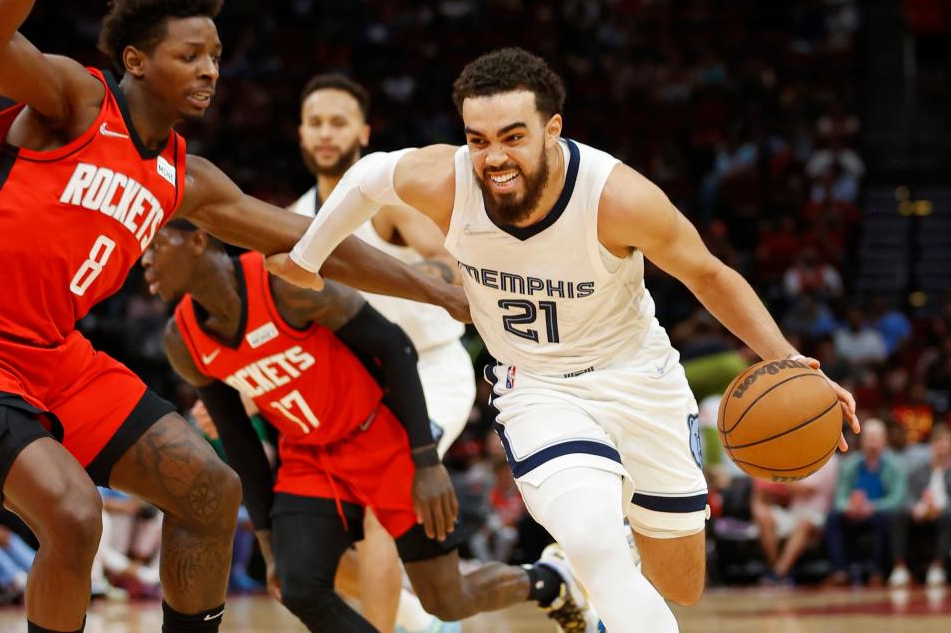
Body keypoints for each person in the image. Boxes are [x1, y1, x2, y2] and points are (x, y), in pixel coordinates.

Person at [271, 47, 861, 632]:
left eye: (512, 136)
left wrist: (790, 361)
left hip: (637, 377)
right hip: (538, 388)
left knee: (680, 583)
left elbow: (707, 274)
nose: (494, 157)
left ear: (553, 129)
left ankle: (588, 582)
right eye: (477, 139)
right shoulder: (446, 183)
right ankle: (590, 566)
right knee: (594, 539)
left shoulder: (616, 198)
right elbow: (371, 176)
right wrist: (306, 257)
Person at [0, 0, 466, 632]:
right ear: (136, 59)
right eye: (190, 55)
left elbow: (313, 237)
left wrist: (438, 290)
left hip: (55, 357)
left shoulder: (189, 179)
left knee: (212, 493)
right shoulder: (78, 100)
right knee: (72, 514)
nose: (210, 70)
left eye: (215, 55)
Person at [143, 221, 594, 632]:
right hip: (308, 455)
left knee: (449, 599)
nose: (144, 259)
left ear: (199, 239)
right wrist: (266, 541)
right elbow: (240, 442)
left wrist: (425, 461)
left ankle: (549, 581)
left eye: (156, 245)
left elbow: (395, 347)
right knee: (299, 585)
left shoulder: (284, 285)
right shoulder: (181, 340)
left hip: (378, 436)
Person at [292, 73, 475, 633]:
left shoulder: (384, 199)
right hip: (359, 394)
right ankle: (425, 619)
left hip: (431, 369)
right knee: (302, 557)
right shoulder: (297, 216)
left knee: (377, 515)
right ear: (300, 133)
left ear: (363, 132)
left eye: (338, 121)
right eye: (316, 122)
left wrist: (408, 280)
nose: (326, 133)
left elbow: (448, 265)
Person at [824, 419, 906, 586]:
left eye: (877, 438)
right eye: (870, 438)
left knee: (886, 519)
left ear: (884, 440)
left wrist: (872, 507)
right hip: (854, 513)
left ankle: (877, 570)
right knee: (833, 517)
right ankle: (840, 570)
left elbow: (897, 498)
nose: (873, 443)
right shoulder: (850, 465)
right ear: (862, 440)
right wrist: (849, 507)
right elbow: (840, 497)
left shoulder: (895, 465)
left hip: (877, 513)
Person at [750, 454, 839, 584]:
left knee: (804, 523)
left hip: (819, 515)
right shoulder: (802, 452)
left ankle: (778, 574)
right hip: (793, 513)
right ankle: (777, 571)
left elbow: (805, 490)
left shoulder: (828, 458)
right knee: (763, 515)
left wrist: (773, 475)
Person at [889, 423, 951, 587]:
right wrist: (914, 507)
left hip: (943, 512)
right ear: (931, 445)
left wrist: (939, 507)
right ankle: (899, 567)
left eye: (946, 440)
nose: (942, 445)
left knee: (947, 517)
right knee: (898, 514)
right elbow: (908, 496)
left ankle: (938, 567)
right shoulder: (918, 471)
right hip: (920, 512)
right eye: (938, 440)